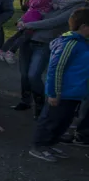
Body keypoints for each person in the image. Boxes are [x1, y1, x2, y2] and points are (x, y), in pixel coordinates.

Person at [13, 0, 87, 117]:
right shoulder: (56, 1)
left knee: (33, 75)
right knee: (24, 74)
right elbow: (40, 12)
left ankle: (40, 105)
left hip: (46, 42)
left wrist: (29, 24)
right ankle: (25, 100)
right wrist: (24, 19)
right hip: (29, 38)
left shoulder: (78, 7)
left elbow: (55, 21)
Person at [28, 8, 89, 162]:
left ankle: (50, 144)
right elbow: (56, 68)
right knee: (51, 119)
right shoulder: (70, 43)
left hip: (75, 93)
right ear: (83, 26)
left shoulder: (83, 44)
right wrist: (54, 93)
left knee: (64, 121)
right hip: (62, 92)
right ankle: (39, 145)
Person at [0, 0, 59, 64]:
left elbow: (53, 5)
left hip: (41, 19)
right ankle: (10, 51)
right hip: (32, 16)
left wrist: (55, 5)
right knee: (25, 35)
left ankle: (3, 50)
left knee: (19, 34)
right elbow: (32, 4)